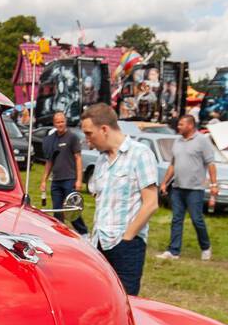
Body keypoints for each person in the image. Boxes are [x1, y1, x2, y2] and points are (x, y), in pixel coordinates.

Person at [80, 104, 158, 296]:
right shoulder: (101, 161)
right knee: (100, 299)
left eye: (89, 133)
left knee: (125, 303)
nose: (87, 140)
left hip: (126, 246)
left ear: (104, 129)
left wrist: (127, 238)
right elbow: (99, 197)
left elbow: (151, 203)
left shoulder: (140, 154)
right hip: (99, 243)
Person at [157, 115, 218, 261]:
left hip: (195, 189)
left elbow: (211, 164)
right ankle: (173, 251)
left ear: (190, 125)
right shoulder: (177, 141)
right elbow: (173, 164)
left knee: (197, 219)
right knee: (177, 219)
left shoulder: (202, 141)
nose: (178, 127)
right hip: (178, 188)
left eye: (181, 124)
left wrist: (214, 185)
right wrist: (165, 182)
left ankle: (205, 247)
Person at [39, 111, 88, 235]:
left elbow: (78, 158)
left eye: (62, 121)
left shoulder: (72, 138)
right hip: (56, 181)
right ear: (54, 123)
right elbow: (49, 161)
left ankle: (84, 233)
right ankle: (60, 234)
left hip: (69, 179)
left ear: (65, 122)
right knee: (57, 211)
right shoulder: (51, 140)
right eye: (57, 122)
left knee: (72, 209)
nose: (60, 124)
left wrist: (79, 180)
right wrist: (44, 180)